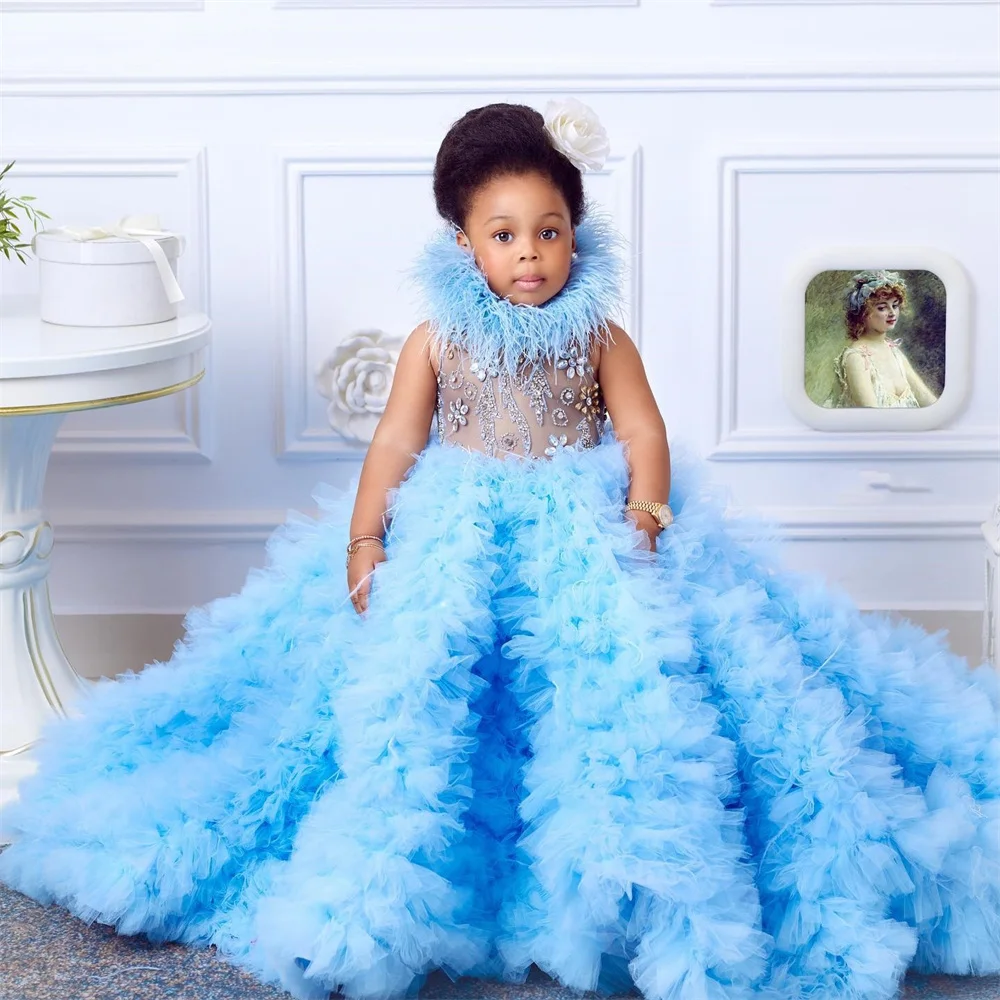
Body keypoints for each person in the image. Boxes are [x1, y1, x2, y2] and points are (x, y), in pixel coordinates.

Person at [1, 101, 997, 1000]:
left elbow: (642, 427)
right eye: (505, 235)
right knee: (421, 682)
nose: (530, 255)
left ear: (576, 233)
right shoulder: (437, 338)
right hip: (459, 531)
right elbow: (396, 440)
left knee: (629, 687)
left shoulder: (597, 332)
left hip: (587, 528)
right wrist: (364, 531)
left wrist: (646, 506)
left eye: (549, 232)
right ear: (466, 242)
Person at [827, 270, 939, 408]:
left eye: (895, 305)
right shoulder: (857, 358)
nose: (892, 313)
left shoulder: (894, 352)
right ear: (863, 313)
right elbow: (872, 417)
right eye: (882, 308)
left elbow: (926, 398)